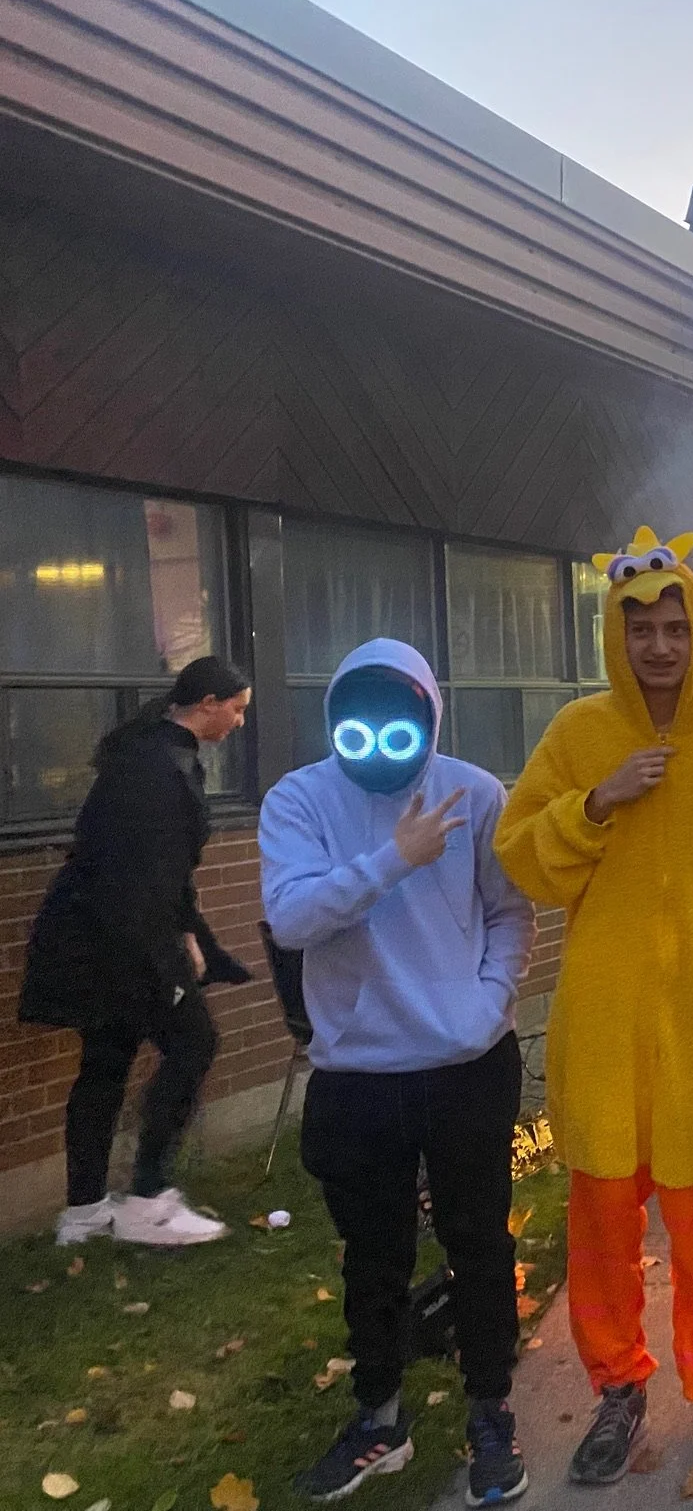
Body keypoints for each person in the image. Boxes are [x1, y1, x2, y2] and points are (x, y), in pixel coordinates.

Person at [495, 529, 693, 1487]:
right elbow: (522, 856)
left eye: (675, 627)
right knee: (603, 1229)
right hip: (607, 1025)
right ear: (616, 635)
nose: (659, 646)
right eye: (640, 628)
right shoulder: (578, 736)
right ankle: (617, 1386)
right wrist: (596, 803)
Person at [260, 638, 537, 1505]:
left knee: (479, 1241)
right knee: (372, 1254)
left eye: (400, 729)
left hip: (465, 1062)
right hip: (358, 1071)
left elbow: (508, 912)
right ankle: (379, 1417)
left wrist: (484, 1005)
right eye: (360, 730)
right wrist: (395, 856)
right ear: (336, 723)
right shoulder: (299, 799)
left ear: (429, 716)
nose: (380, 748)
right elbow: (291, 917)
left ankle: (490, 1410)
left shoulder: (476, 791)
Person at [20, 655, 252, 1250]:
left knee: (106, 1061)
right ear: (207, 704)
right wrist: (172, 959)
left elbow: (163, 872)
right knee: (192, 1041)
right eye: (237, 709)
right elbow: (137, 881)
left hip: (99, 935)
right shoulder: (153, 769)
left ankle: (85, 1211)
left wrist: (192, 934)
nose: (240, 722)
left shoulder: (157, 755)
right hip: (113, 939)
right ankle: (147, 1197)